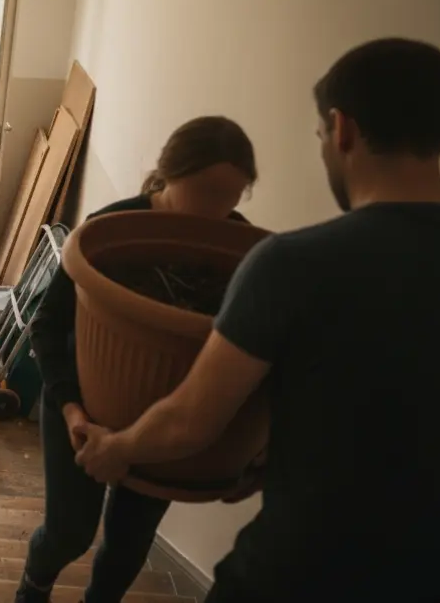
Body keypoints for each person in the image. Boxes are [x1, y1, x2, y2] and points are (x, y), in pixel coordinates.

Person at [74, 38, 440, 603]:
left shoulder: (292, 264)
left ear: (341, 129)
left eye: (321, 137)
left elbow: (191, 421)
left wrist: (116, 449)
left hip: (300, 573)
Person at [15, 116, 259, 603]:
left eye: (232, 197)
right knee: (69, 532)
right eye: (208, 191)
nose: (220, 210)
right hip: (80, 407)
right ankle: (32, 589)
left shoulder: (238, 248)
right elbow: (46, 325)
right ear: (170, 172)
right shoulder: (112, 231)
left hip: (162, 425)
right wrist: (72, 409)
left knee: (129, 543)